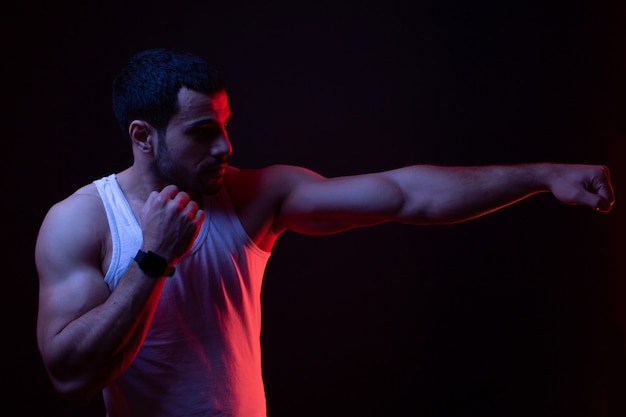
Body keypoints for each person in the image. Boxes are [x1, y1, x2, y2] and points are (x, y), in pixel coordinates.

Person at [35, 47, 615, 417]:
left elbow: (407, 195)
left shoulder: (252, 195)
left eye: (226, 127)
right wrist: (154, 258)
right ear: (143, 136)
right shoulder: (82, 220)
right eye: (203, 132)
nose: (226, 147)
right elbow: (72, 379)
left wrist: (543, 175)